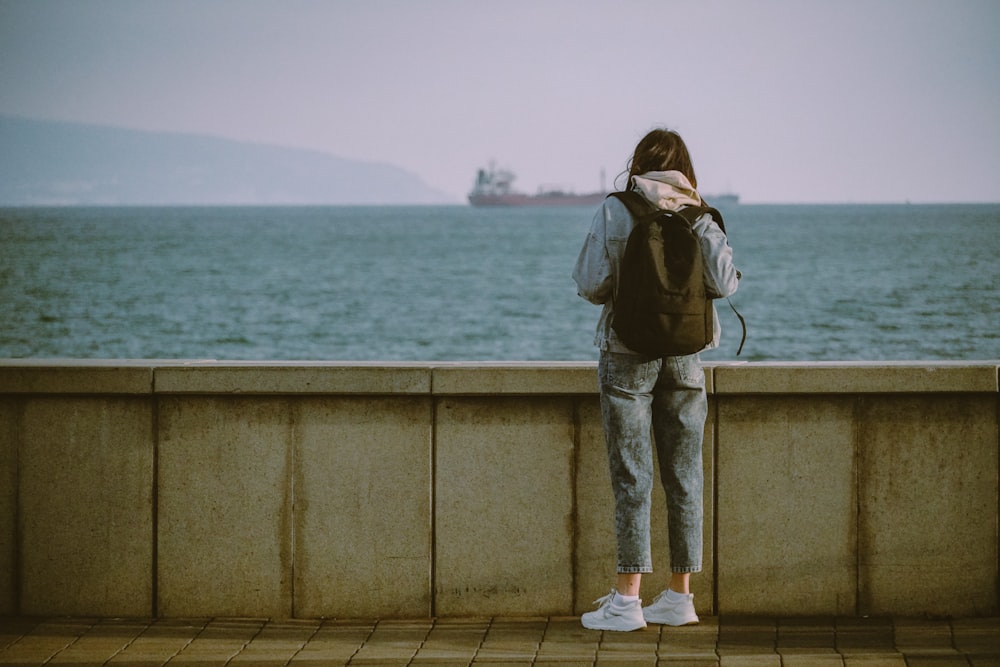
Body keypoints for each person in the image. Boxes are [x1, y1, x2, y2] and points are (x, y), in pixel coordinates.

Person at [572, 128, 740, 632]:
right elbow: (724, 282)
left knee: (632, 475)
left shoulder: (616, 210)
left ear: (639, 164)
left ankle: (626, 601)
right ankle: (679, 597)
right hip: (687, 357)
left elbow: (590, 283)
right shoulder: (700, 212)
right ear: (684, 168)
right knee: (685, 476)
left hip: (626, 354)